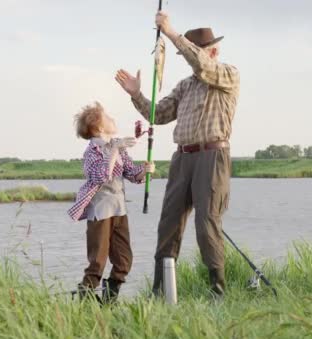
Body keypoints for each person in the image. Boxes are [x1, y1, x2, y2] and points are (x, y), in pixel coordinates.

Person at [115, 11, 240, 297]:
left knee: (206, 223)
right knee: (168, 224)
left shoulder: (227, 75)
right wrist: (136, 95)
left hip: (212, 156)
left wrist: (171, 33)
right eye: (186, 55)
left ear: (214, 51)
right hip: (182, 158)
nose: (188, 59)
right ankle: (161, 294)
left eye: (193, 53)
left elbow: (202, 64)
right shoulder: (185, 86)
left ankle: (218, 293)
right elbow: (158, 115)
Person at [68, 101, 155, 303]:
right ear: (98, 128)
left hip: (119, 211)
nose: (112, 118)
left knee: (124, 260)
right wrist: (115, 149)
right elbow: (102, 176)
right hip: (100, 213)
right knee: (97, 261)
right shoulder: (92, 153)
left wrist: (145, 171)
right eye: (107, 117)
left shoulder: (117, 146)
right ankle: (86, 299)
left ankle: (109, 301)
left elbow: (132, 173)